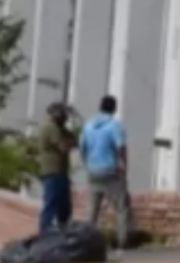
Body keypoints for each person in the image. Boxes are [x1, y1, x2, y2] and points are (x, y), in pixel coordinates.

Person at [81, 96, 133, 252]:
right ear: (114, 108)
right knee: (121, 208)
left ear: (100, 106)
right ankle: (121, 243)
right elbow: (121, 148)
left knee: (92, 210)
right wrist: (124, 166)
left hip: (93, 170)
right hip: (111, 171)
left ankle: (86, 243)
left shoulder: (88, 126)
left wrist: (88, 164)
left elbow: (83, 148)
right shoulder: (115, 126)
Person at [35, 102, 76, 234]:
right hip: (54, 172)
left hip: (58, 172)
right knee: (52, 205)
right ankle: (45, 233)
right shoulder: (52, 128)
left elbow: (74, 140)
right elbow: (64, 146)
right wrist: (69, 142)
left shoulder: (57, 129)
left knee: (63, 206)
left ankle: (59, 231)